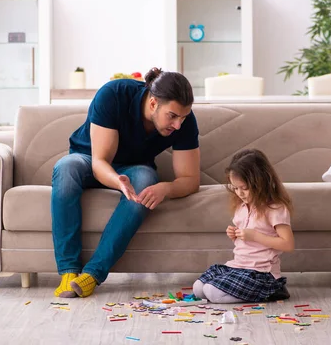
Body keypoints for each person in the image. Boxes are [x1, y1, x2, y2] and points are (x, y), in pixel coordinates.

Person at [51, 67, 201, 298]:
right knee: (65, 167)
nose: (178, 125)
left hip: (135, 169)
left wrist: (166, 188)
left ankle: (92, 274)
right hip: (90, 160)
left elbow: (190, 180)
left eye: (183, 117)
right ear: (153, 104)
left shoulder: (184, 122)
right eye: (172, 116)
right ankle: (68, 271)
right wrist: (117, 181)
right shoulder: (114, 95)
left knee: (145, 180)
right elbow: (100, 162)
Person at [193, 149, 294, 303]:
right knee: (198, 288)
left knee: (211, 292)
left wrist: (254, 235)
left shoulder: (275, 208)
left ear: (261, 183)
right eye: (235, 188)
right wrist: (235, 236)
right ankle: (248, 292)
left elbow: (288, 244)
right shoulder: (242, 207)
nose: (239, 193)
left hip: (261, 273)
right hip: (239, 266)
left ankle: (271, 290)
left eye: (244, 188)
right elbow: (248, 244)